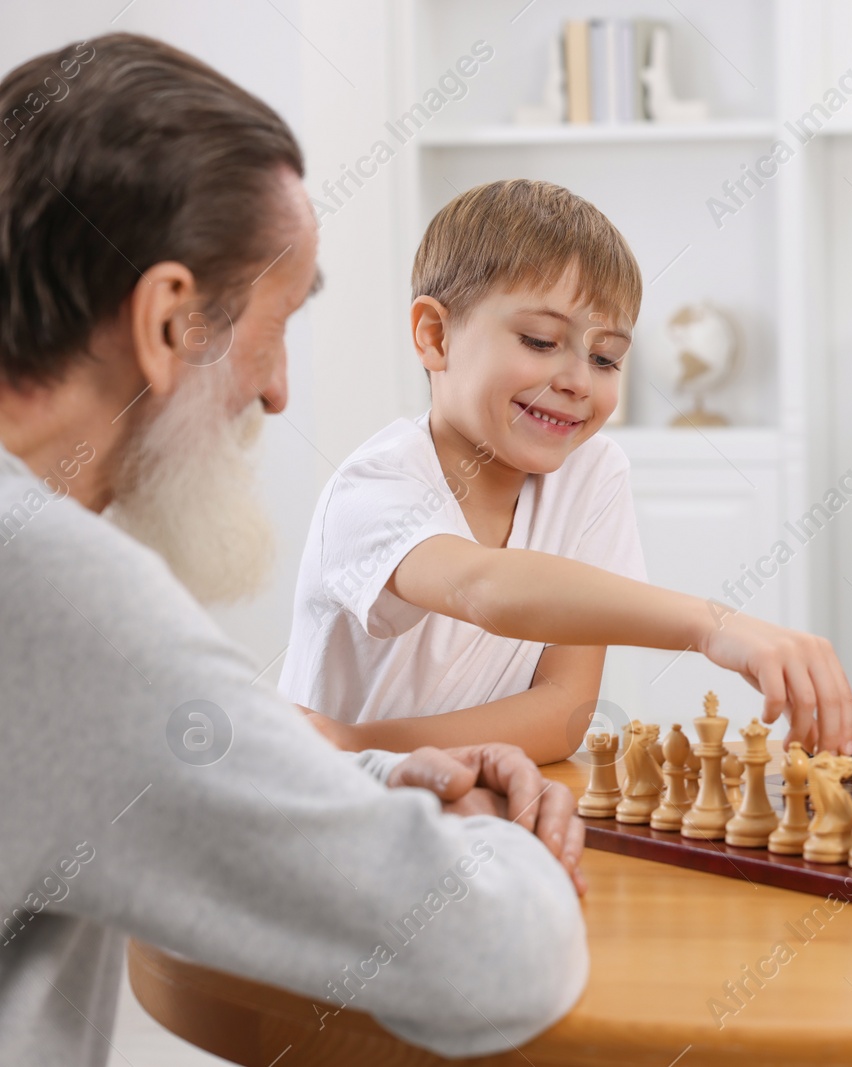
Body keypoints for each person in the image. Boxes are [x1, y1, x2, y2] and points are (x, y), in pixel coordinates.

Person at [0, 34, 586, 1065]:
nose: (276, 390)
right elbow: (498, 960)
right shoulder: (47, 587)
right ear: (168, 321)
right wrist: (494, 832)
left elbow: (167, 794)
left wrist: (386, 781)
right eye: (275, 328)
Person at [279, 180, 852, 762]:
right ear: (435, 336)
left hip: (467, 809)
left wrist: (361, 745)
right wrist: (709, 625)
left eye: (605, 358)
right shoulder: (374, 488)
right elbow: (485, 588)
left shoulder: (593, 474)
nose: (578, 380)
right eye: (540, 340)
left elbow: (562, 708)